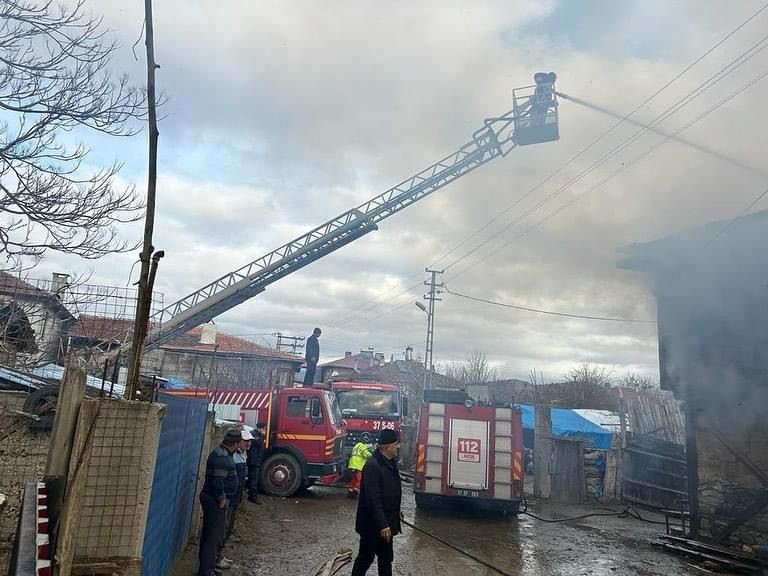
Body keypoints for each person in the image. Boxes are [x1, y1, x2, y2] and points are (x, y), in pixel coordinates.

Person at [350, 429, 403, 576]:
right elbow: (373, 499)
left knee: (386, 559)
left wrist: (396, 511)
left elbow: (391, 491)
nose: (398, 447)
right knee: (366, 558)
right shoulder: (373, 466)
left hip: (387, 521)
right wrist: (383, 524)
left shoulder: (391, 463)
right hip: (372, 525)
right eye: (396, 444)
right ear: (386, 446)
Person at [198, 428, 240, 576]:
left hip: (212, 499)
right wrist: (222, 499)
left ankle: (207, 566)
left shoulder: (221, 452)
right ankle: (206, 571)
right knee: (212, 538)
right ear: (235, 444)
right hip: (214, 501)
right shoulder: (223, 458)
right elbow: (217, 481)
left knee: (210, 535)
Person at [225, 429, 253, 541]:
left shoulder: (244, 454)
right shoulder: (232, 456)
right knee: (224, 524)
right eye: (246, 441)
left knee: (229, 524)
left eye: (250, 441)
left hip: (236, 496)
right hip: (229, 497)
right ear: (238, 441)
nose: (248, 443)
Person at [246, 423, 266, 504]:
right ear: (260, 428)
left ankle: (251, 493)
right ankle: (253, 496)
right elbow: (256, 443)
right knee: (254, 478)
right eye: (263, 428)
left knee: (252, 478)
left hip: (254, 459)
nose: (264, 430)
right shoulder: (255, 435)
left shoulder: (255, 434)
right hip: (254, 460)